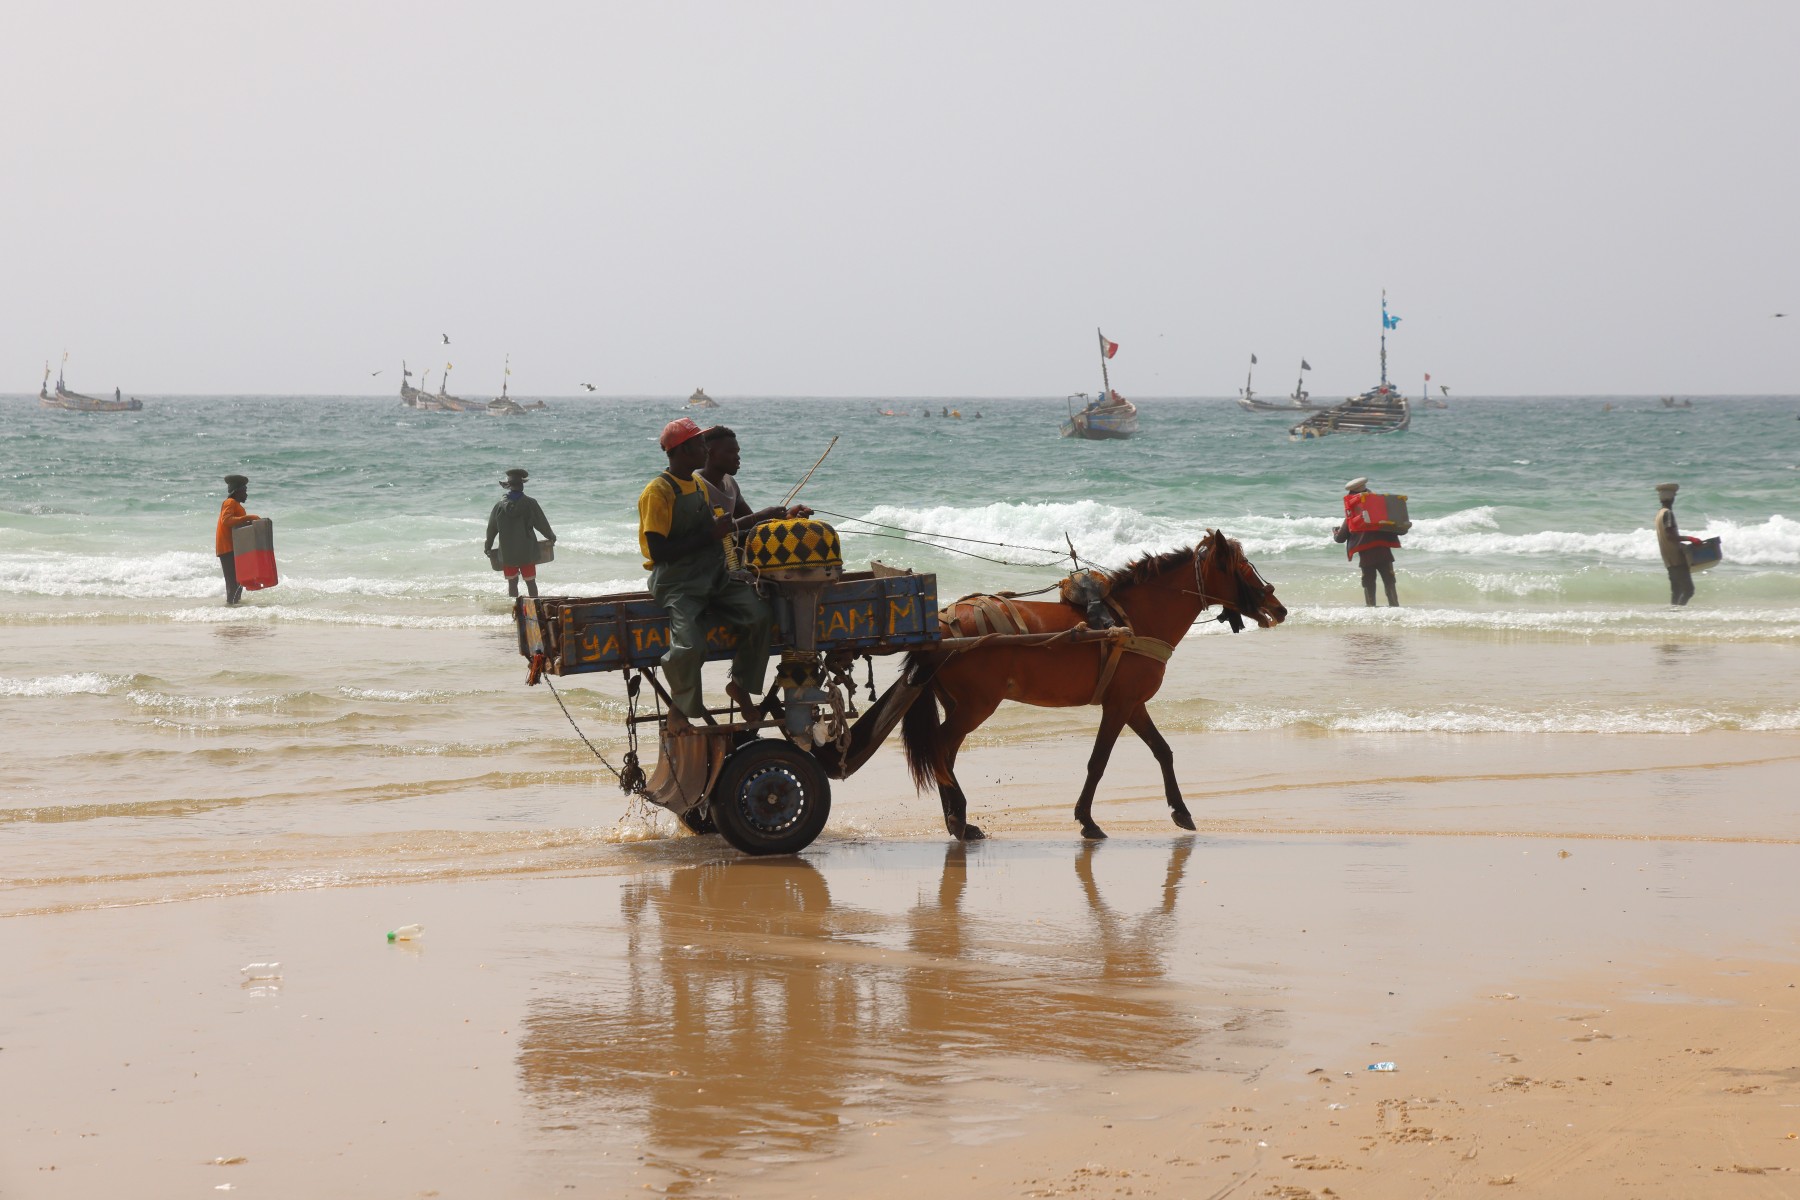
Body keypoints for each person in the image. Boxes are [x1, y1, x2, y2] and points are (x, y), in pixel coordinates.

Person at [638, 418, 777, 727]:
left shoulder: (699, 485)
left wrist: (775, 521)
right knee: (689, 645)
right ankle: (680, 709)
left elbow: (724, 529)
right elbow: (658, 552)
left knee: (759, 615)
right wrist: (710, 536)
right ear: (683, 450)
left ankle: (740, 685)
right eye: (700, 445)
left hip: (715, 577)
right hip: (678, 584)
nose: (705, 449)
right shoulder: (657, 492)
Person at [698, 425, 810, 562]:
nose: (737, 457)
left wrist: (787, 517)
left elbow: (753, 525)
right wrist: (758, 517)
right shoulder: (696, 485)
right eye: (731, 452)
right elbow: (706, 533)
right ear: (710, 453)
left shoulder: (730, 482)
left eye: (737, 452)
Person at [484, 468, 556, 599]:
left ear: (508, 486)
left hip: (507, 553)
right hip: (527, 551)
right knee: (531, 582)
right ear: (522, 485)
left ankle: (515, 609)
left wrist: (487, 546)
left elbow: (491, 529)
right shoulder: (530, 503)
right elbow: (541, 523)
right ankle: (535, 606)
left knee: (512, 583)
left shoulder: (499, 506)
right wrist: (551, 536)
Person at [1332, 476, 1401, 607]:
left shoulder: (1352, 517)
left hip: (1367, 557)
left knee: (1369, 585)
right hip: (1384, 553)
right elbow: (1396, 528)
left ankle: (1371, 611)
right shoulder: (1382, 510)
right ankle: (1395, 608)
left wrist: (1335, 532)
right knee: (1389, 582)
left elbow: (1340, 538)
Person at [215, 474, 260, 606]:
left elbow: (236, 525)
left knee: (239, 581)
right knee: (232, 582)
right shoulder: (229, 502)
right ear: (237, 491)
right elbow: (226, 520)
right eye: (244, 491)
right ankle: (230, 610)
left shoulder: (237, 505)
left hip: (235, 547)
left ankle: (235, 608)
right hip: (227, 547)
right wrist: (249, 518)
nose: (246, 495)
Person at [1655, 482, 1694, 606]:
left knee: (1676, 591)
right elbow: (1670, 536)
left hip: (1668, 559)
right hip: (1676, 558)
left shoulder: (1659, 514)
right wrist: (1690, 538)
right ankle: (1678, 614)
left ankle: (1672, 615)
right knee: (1688, 590)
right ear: (1672, 498)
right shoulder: (1668, 514)